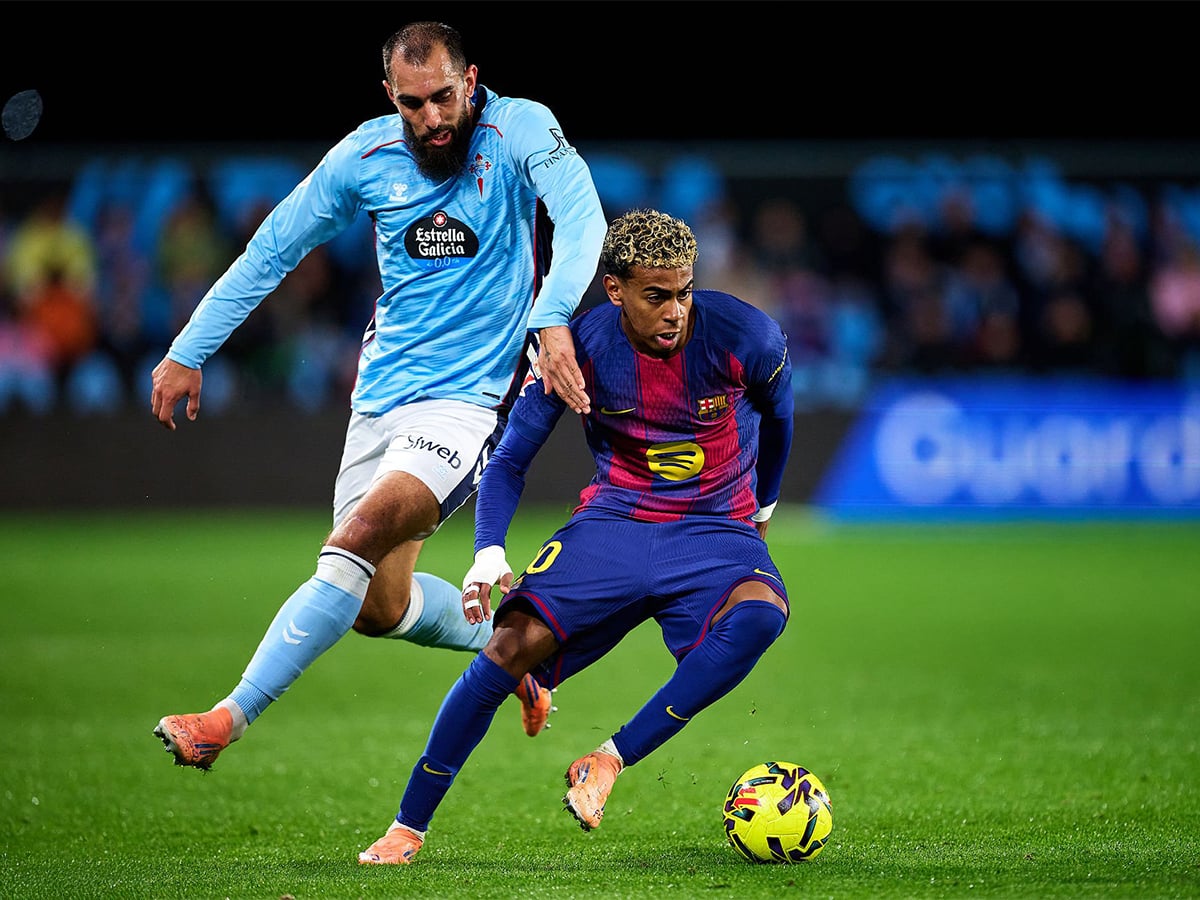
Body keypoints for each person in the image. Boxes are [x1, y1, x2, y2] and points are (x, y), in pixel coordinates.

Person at [150, 21, 607, 770]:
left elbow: (582, 216)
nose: (432, 118)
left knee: (355, 539)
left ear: (471, 79)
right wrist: (189, 349)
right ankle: (519, 649)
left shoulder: (520, 128)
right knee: (377, 607)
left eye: (444, 97)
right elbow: (273, 249)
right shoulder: (364, 156)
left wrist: (552, 314)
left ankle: (225, 720)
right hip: (380, 399)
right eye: (412, 103)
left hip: (467, 404)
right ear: (389, 96)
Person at [359, 208, 795, 864]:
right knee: (507, 649)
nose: (676, 311)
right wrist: (487, 551)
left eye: (684, 292)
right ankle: (407, 826)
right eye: (656, 296)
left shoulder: (747, 335)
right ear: (616, 290)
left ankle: (609, 758)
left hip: (714, 528)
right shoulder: (576, 351)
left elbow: (780, 415)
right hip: (614, 522)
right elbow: (509, 459)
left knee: (762, 616)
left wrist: (763, 506)